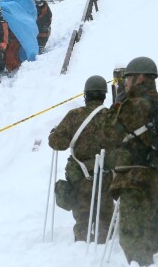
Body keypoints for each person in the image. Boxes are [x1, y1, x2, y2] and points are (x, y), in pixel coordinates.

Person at [101, 57, 158, 266]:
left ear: (140, 78)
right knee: (148, 235)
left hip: (134, 179)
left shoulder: (133, 105)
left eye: (128, 78)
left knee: (132, 237)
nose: (125, 83)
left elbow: (107, 135)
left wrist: (117, 105)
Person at [48, 75, 114, 243]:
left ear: (86, 95)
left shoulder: (74, 115)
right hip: (105, 175)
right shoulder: (112, 117)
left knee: (83, 213)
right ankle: (104, 244)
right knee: (105, 213)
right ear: (104, 95)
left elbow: (57, 143)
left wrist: (54, 133)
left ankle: (82, 244)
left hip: (80, 175)